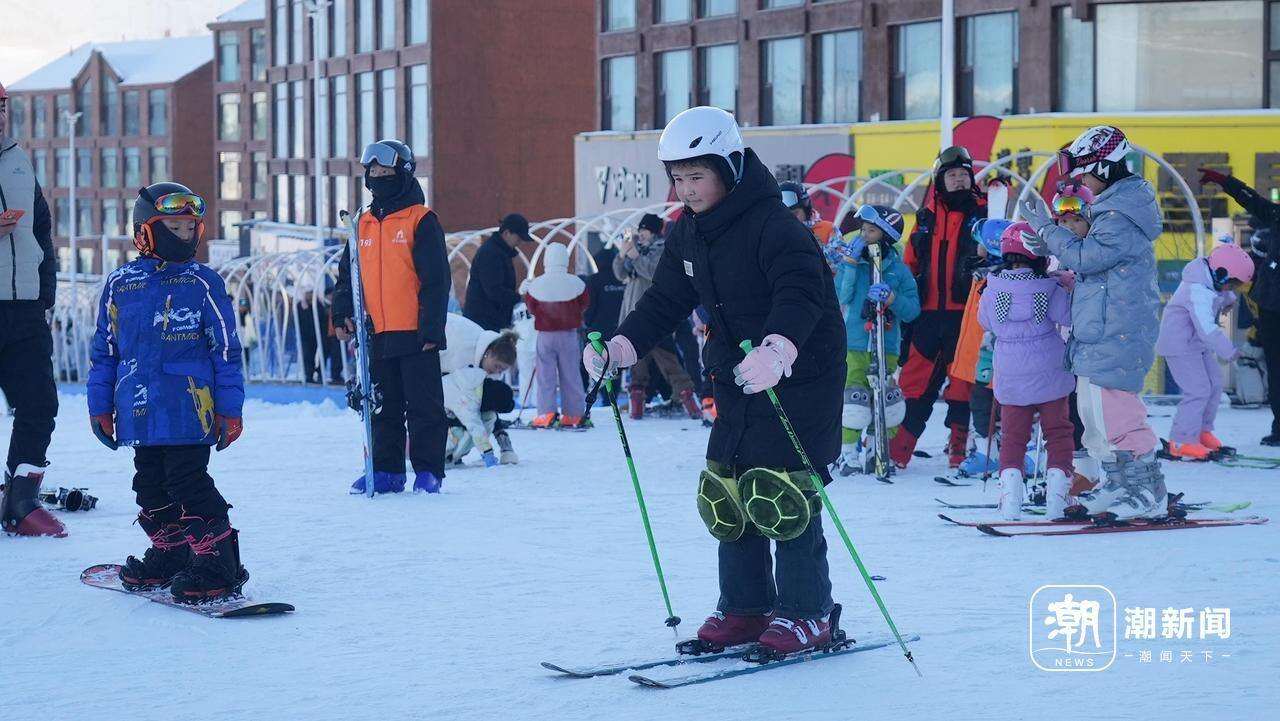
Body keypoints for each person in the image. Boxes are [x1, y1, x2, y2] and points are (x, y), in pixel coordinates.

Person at [583, 106, 846, 655]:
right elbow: (664, 301)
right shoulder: (688, 233)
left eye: (697, 175)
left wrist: (780, 347)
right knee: (729, 487)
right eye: (678, 177)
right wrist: (623, 345)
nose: (686, 189)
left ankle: (807, 613)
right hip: (734, 373)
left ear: (728, 166)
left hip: (799, 373)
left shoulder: (776, 226)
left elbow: (803, 293)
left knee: (784, 489)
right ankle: (747, 608)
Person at [87, 182, 248, 600]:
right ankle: (172, 551)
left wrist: (230, 409)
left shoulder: (203, 284)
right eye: (173, 227)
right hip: (139, 410)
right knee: (149, 484)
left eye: (190, 227)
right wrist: (99, 405)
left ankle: (219, 562)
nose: (185, 236)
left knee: (188, 482)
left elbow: (226, 350)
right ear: (145, 231)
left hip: (189, 410)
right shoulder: (121, 284)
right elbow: (105, 350)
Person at [1020, 125, 1166, 520]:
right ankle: (1117, 482)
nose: (1081, 182)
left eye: (1084, 173)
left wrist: (1049, 231)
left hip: (1116, 328)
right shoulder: (1111, 209)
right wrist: (1053, 239)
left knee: (1116, 413)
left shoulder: (1121, 213)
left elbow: (1088, 258)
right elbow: (1088, 253)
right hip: (1100, 327)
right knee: (1093, 414)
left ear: (1103, 166)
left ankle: (1145, 490)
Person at [334, 140, 451, 495]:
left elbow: (436, 279)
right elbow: (347, 277)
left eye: (386, 173)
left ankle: (429, 472)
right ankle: (386, 470)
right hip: (376, 333)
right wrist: (342, 312)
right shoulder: (363, 224)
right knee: (381, 404)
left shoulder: (421, 220)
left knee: (423, 407)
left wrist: (432, 328)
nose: (379, 179)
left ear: (403, 175)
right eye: (373, 174)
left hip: (415, 332)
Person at [892, 146, 988, 469]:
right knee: (915, 382)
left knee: (962, 384)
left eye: (964, 175)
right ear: (939, 181)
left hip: (968, 315)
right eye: (952, 176)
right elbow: (909, 265)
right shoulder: (924, 219)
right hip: (928, 315)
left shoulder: (984, 215)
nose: (959, 181)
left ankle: (958, 447)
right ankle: (899, 449)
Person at [978, 222, 1076, 520]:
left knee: (1012, 437)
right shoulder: (1048, 286)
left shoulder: (992, 287)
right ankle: (1058, 500)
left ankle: (1010, 503)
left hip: (1009, 369)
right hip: (1049, 367)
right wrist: (1069, 287)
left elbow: (986, 323)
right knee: (1058, 433)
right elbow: (1067, 315)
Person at [0, 80, 63, 538]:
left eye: (1, 106)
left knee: (39, 403)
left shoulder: (18, 161)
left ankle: (21, 501)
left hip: (23, 308)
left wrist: (45, 295)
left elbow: (41, 232)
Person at [831, 205, 919, 477]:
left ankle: (875, 449)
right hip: (856, 343)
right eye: (862, 229)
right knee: (854, 401)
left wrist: (893, 299)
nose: (863, 235)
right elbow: (841, 298)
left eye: (870, 230)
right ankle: (847, 454)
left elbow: (913, 310)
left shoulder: (899, 270)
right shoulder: (854, 265)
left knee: (885, 402)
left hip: (887, 345)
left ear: (886, 235)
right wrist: (849, 264)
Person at [1199, 167, 1280, 445]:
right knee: (1275, 369)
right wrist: (1226, 182)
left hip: (1271, 303)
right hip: (1271, 307)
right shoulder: (1277, 215)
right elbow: (1253, 200)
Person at [1155, 243, 1253, 460]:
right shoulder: (1197, 289)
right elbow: (1207, 328)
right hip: (1179, 344)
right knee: (1198, 390)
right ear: (1220, 274)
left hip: (1195, 343)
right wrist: (1229, 351)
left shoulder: (1211, 282)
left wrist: (1228, 298)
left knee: (1215, 383)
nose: (1232, 289)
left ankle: (1200, 431)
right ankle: (1180, 441)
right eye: (1232, 285)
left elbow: (1220, 293)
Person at [613, 213, 701, 420]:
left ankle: (688, 402)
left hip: (655, 316)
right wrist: (622, 254)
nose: (641, 235)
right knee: (637, 366)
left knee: (669, 362)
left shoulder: (662, 249)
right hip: (632, 315)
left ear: (653, 232)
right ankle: (637, 408)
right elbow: (620, 274)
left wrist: (635, 256)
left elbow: (655, 272)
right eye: (640, 231)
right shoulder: (639, 250)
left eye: (644, 231)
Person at [523, 243, 590, 428]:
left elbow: (531, 307)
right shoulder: (577, 283)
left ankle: (546, 414)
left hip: (545, 335)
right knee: (571, 375)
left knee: (545, 376)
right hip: (569, 335)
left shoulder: (536, 284)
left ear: (546, 260)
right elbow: (584, 304)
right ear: (565, 260)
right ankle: (574, 415)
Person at [440, 313, 520, 465]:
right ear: (488, 354)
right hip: (424, 339)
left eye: (501, 371)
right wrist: (487, 452)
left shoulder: (483, 367)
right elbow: (472, 419)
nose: (497, 373)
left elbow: (489, 405)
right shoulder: (462, 349)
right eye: (497, 367)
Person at [464, 213, 533, 332]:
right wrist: (519, 298)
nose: (520, 242)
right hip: (484, 321)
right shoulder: (491, 254)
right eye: (519, 237)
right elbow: (494, 291)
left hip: (491, 319)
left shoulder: (500, 252)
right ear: (506, 233)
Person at [780, 181, 837, 247]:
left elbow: (842, 256)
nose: (790, 219)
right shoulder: (776, 233)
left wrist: (821, 248)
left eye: (795, 214)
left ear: (806, 209)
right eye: (785, 216)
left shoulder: (828, 229)